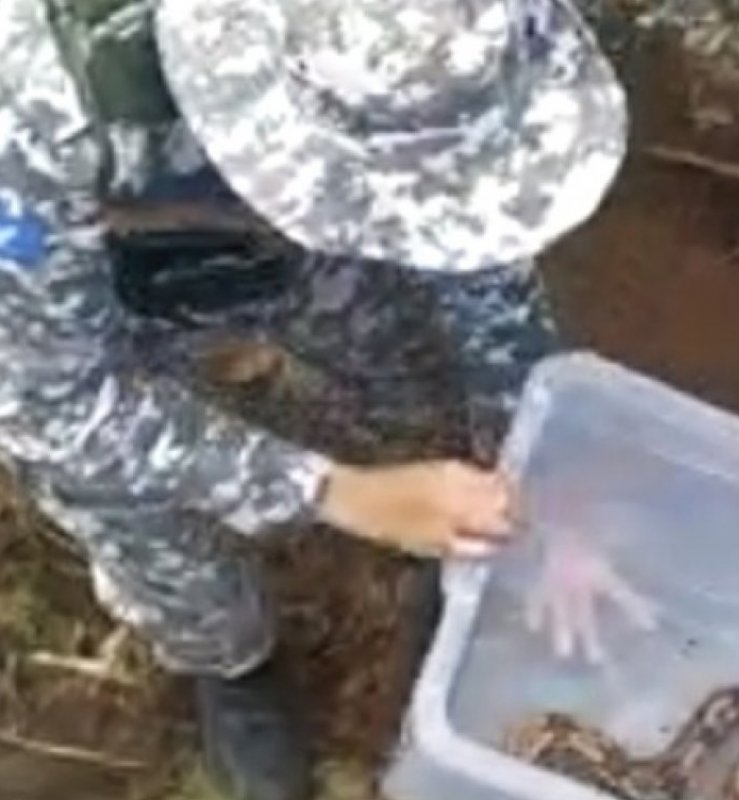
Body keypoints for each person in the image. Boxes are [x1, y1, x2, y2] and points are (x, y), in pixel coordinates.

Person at [0, 0, 628, 798]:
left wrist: (545, 478)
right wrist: (332, 491)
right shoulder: (30, 108)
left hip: (301, 248)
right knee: (137, 518)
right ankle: (227, 660)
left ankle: (445, 551)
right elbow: (50, 404)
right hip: (90, 290)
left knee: (423, 390)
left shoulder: (464, 41)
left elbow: (483, 253)